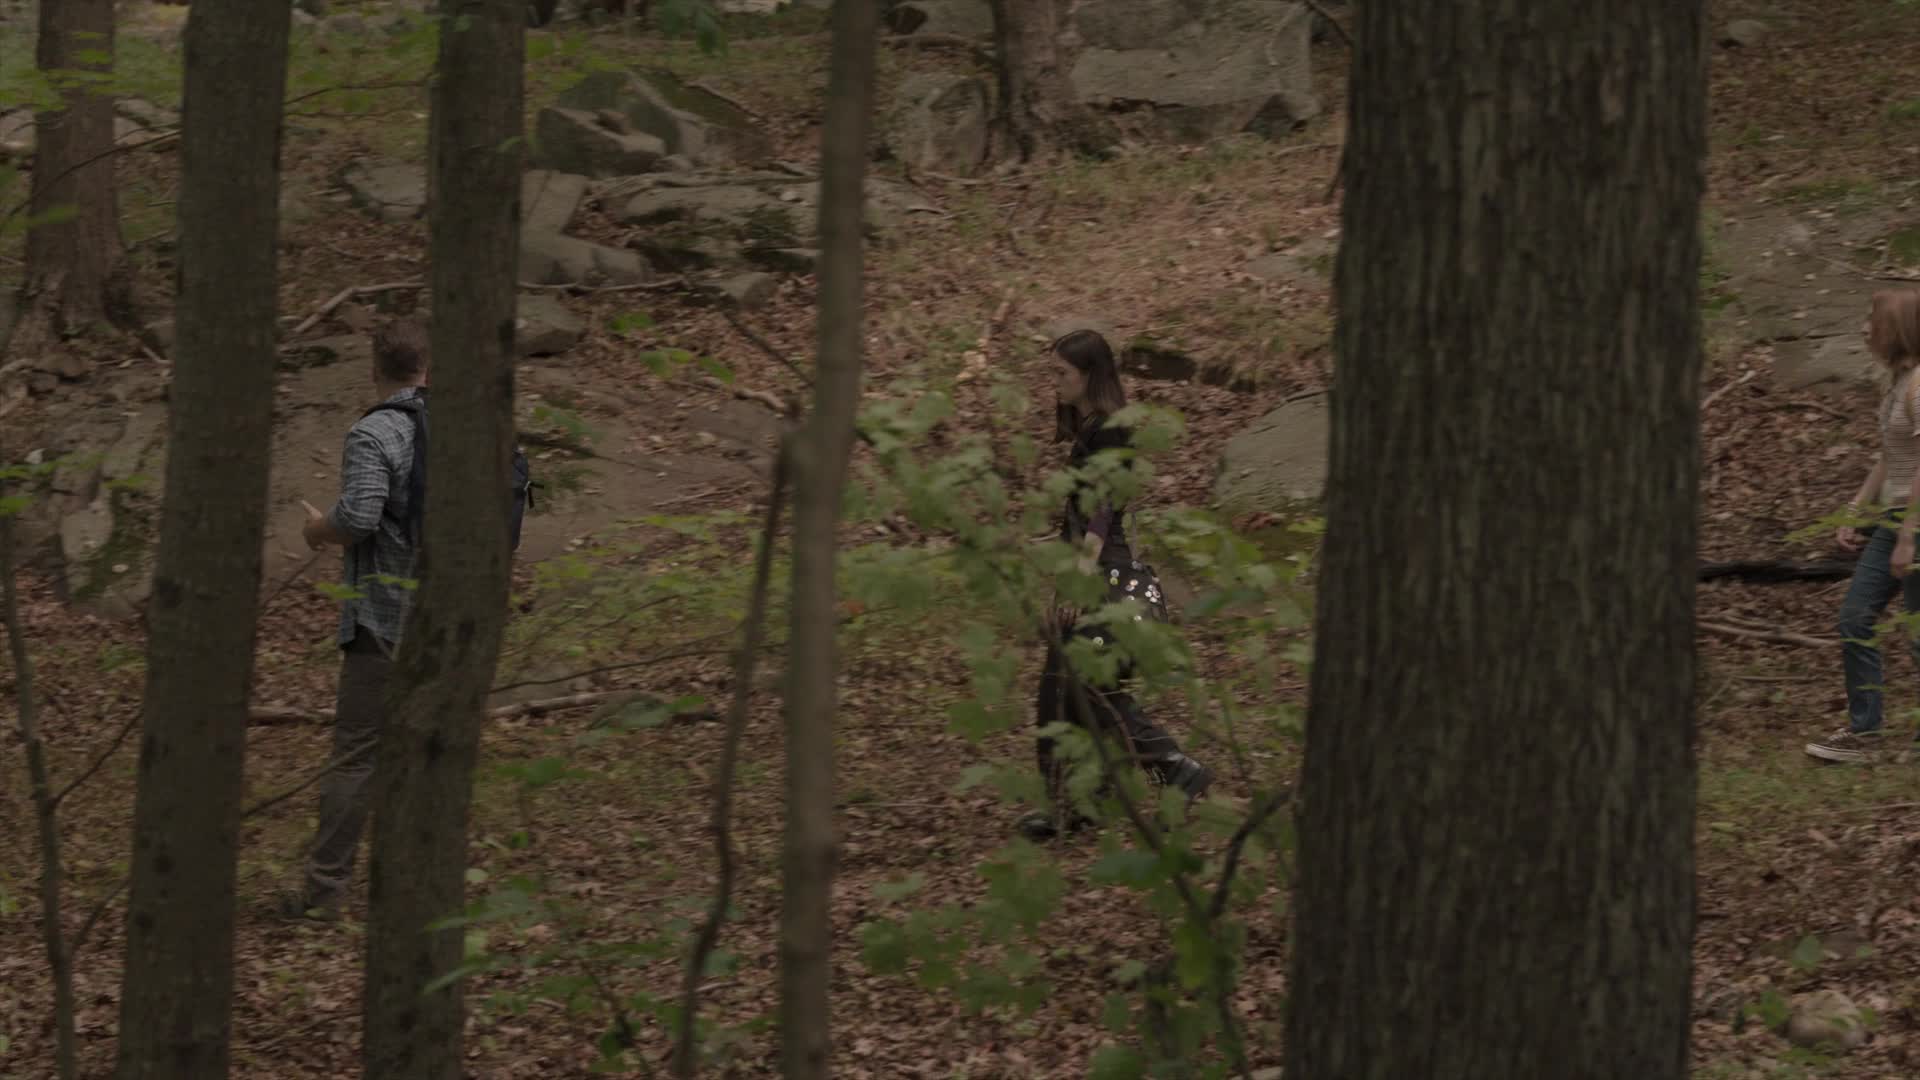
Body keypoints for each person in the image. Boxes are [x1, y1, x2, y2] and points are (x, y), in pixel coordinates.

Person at [1019, 329, 1212, 841]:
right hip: (1098, 578)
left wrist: (1081, 576)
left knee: (1080, 690)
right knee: (1076, 693)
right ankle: (1088, 800)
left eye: (1062, 373)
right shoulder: (1090, 429)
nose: (1053, 381)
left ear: (1090, 375)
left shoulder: (1111, 430)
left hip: (1110, 584)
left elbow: (1104, 510)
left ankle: (1165, 772)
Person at [277, 318, 430, 919]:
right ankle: (419, 887)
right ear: (427, 366)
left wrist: (319, 528)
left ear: (374, 369)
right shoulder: (468, 425)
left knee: (356, 756)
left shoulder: (375, 432)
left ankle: (323, 895)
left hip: (384, 619)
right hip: (449, 622)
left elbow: (361, 518)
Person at [1809, 288, 1920, 764]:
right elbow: (1892, 456)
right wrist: (1857, 508)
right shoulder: (1899, 382)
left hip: (1914, 524)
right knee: (1855, 617)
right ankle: (1865, 733)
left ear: (1898, 329)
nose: (1864, 329)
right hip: (1895, 519)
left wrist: (1908, 536)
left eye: (1872, 321)